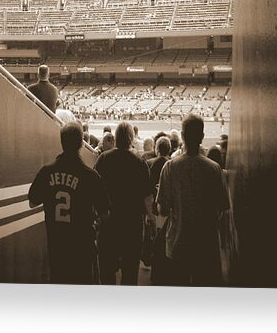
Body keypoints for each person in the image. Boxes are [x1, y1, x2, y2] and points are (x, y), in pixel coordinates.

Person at [155, 114, 230, 286]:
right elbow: (222, 208)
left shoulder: (170, 167)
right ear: (202, 137)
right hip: (206, 246)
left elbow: (163, 210)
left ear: (182, 136)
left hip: (178, 244)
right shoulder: (214, 169)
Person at [29, 121, 107, 284]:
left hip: (57, 244)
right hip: (82, 246)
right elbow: (104, 214)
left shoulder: (46, 171)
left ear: (62, 142)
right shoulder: (90, 176)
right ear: (81, 144)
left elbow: (32, 202)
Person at [94, 121, 155, 285]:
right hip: (132, 225)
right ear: (131, 138)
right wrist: (153, 221)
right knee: (130, 273)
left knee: (106, 272)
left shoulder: (104, 158)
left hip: (109, 222)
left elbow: (94, 188)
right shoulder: (139, 162)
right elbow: (147, 197)